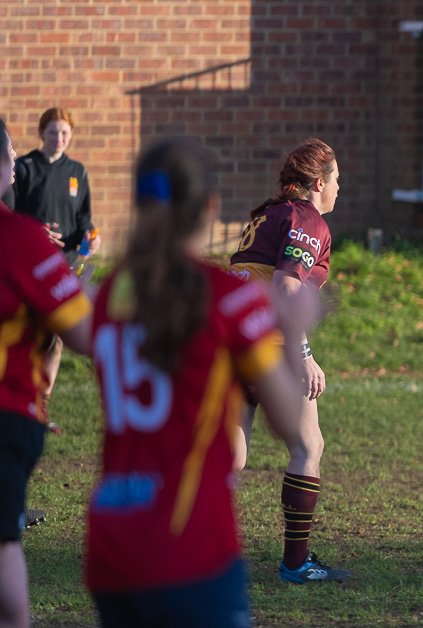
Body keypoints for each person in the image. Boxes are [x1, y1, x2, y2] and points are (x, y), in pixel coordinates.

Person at [85, 138, 320, 626]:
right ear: (210, 208)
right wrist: (297, 322)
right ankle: (297, 561)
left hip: (111, 541)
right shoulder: (223, 301)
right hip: (187, 541)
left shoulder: (112, 294)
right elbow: (283, 416)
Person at [227, 139, 349, 584]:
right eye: (337, 180)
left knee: (229, 459)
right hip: (269, 346)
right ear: (319, 183)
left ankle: (181, 551)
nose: (339, 189)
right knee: (307, 447)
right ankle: (296, 564)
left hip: (232, 343)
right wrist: (304, 355)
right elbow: (285, 288)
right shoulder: (307, 220)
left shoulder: (266, 213)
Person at [0, 116, 93, 627]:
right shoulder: (20, 239)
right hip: (7, 411)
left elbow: (87, 221)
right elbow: (84, 332)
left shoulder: (75, 176)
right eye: (10, 152)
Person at [2, 108, 97, 432]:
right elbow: (11, 211)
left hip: (65, 261)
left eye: (65, 133)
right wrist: (32, 232)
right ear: (42, 133)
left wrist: (89, 237)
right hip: (26, 262)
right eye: (53, 132)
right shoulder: (26, 168)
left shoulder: (77, 172)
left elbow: (85, 218)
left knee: (56, 336)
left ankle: (41, 403)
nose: (59, 138)